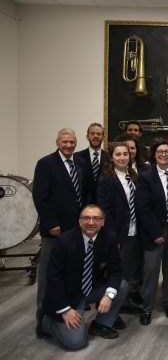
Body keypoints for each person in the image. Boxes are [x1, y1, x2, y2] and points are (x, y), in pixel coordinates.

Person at [41, 205, 128, 350]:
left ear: (103, 222)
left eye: (96, 218)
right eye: (86, 218)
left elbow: (115, 270)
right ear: (79, 221)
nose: (91, 222)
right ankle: (47, 322)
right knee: (76, 343)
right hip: (68, 296)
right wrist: (65, 310)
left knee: (122, 286)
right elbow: (53, 279)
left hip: (90, 289)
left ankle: (100, 324)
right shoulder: (63, 241)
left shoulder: (110, 239)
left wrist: (108, 295)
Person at [33, 128, 88, 339]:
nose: (68, 145)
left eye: (72, 142)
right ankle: (43, 315)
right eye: (64, 141)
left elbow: (81, 194)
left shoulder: (80, 163)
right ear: (57, 142)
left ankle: (66, 306)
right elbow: (41, 197)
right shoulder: (45, 163)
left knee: (71, 269)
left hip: (76, 228)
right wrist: (51, 223)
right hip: (55, 229)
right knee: (48, 271)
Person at [135, 140, 168, 325]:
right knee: (151, 270)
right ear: (154, 154)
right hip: (154, 230)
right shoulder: (146, 176)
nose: (164, 154)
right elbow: (142, 208)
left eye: (167, 151)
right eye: (160, 152)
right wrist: (155, 232)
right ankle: (147, 308)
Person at [97, 141, 144, 313]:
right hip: (118, 233)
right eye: (118, 154)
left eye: (125, 154)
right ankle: (113, 310)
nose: (122, 157)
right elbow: (104, 211)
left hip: (134, 231)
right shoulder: (106, 179)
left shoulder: (133, 176)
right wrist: (112, 236)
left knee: (131, 269)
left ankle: (125, 303)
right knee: (118, 271)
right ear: (111, 157)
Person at [75, 123, 108, 204]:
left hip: (104, 203)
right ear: (87, 136)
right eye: (92, 133)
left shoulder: (110, 158)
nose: (95, 136)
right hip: (83, 204)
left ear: (103, 137)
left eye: (98, 134)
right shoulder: (76, 157)